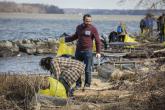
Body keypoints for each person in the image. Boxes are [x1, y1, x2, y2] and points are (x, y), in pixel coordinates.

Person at [64, 14, 101, 88]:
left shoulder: (93, 29)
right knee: (77, 69)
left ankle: (87, 84)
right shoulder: (79, 27)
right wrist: (65, 39)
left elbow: (97, 41)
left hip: (88, 52)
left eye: (90, 21)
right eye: (87, 21)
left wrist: (98, 52)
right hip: (78, 52)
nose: (89, 22)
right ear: (83, 20)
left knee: (87, 70)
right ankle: (78, 84)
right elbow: (75, 36)